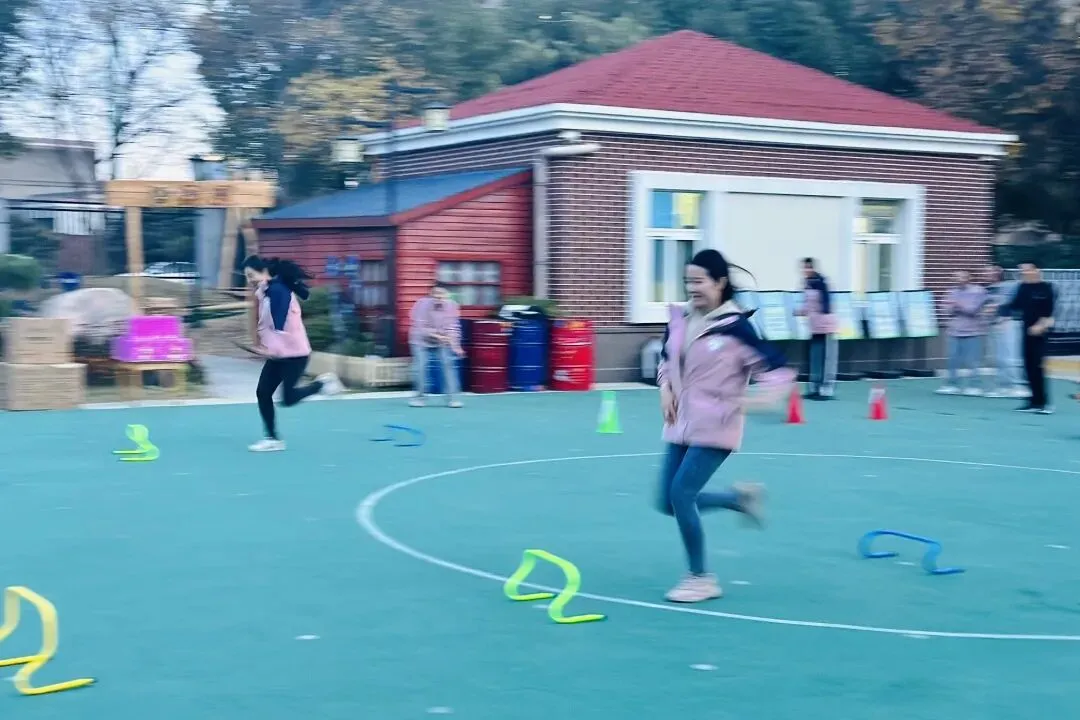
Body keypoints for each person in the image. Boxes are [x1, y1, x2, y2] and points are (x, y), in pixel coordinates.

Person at [655, 249, 795, 604]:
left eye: (699, 281)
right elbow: (667, 358)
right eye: (688, 281)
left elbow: (777, 372)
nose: (692, 288)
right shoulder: (680, 319)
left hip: (717, 426)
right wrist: (665, 387)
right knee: (667, 501)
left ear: (719, 283)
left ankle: (700, 578)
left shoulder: (736, 328)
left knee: (682, 494)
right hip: (680, 422)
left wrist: (755, 401)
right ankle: (739, 499)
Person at [243, 256, 343, 452]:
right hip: (278, 355)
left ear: (263, 271)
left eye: (250, 275)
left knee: (288, 399)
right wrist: (263, 347)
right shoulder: (265, 292)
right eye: (246, 276)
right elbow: (268, 326)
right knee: (263, 393)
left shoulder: (278, 291)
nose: (249, 280)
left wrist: (267, 349)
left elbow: (279, 326)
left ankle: (322, 385)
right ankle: (272, 439)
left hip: (295, 355)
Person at [1001, 262, 1055, 413]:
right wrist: (999, 310)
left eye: (1026, 270)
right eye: (1021, 271)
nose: (1023, 273)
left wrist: (1041, 325)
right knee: (1027, 366)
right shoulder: (1023, 287)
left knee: (1037, 366)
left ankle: (1043, 403)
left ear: (1036, 270)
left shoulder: (1046, 288)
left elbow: (1050, 312)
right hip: (1026, 331)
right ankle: (1032, 401)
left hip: (1040, 332)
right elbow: (1014, 305)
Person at [408, 282, 465, 408]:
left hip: (441, 340)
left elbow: (453, 327)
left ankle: (453, 399)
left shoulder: (452, 306)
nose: (438, 296)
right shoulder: (422, 304)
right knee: (421, 367)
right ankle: (419, 398)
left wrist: (456, 346)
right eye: (435, 293)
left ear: (447, 295)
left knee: (448, 365)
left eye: (442, 293)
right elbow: (420, 326)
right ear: (431, 294)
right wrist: (438, 336)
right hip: (420, 340)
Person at [937, 270, 989, 396]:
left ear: (968, 278)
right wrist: (954, 308)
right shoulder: (951, 292)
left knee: (973, 361)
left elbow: (973, 310)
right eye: (955, 277)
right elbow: (945, 309)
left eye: (960, 277)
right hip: (954, 330)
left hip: (973, 331)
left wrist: (957, 306)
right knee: (952, 359)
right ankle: (952, 384)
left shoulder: (978, 291)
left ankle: (974, 386)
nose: (957, 280)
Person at [796, 257, 837, 400]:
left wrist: (824, 322)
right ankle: (814, 388)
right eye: (804, 267)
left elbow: (826, 306)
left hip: (825, 327)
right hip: (814, 327)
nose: (806, 270)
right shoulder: (807, 284)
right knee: (815, 358)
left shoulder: (821, 283)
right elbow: (808, 305)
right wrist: (800, 311)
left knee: (826, 359)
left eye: (809, 267)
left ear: (813, 268)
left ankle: (825, 390)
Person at [983, 265, 1026, 398]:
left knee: (1010, 357)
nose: (985, 274)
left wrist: (998, 308)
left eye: (988, 272)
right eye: (985, 272)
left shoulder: (1010, 285)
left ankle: (1018, 386)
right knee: (999, 358)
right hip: (995, 325)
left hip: (1009, 324)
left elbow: (1011, 301)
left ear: (998, 273)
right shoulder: (989, 289)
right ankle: (1004, 386)